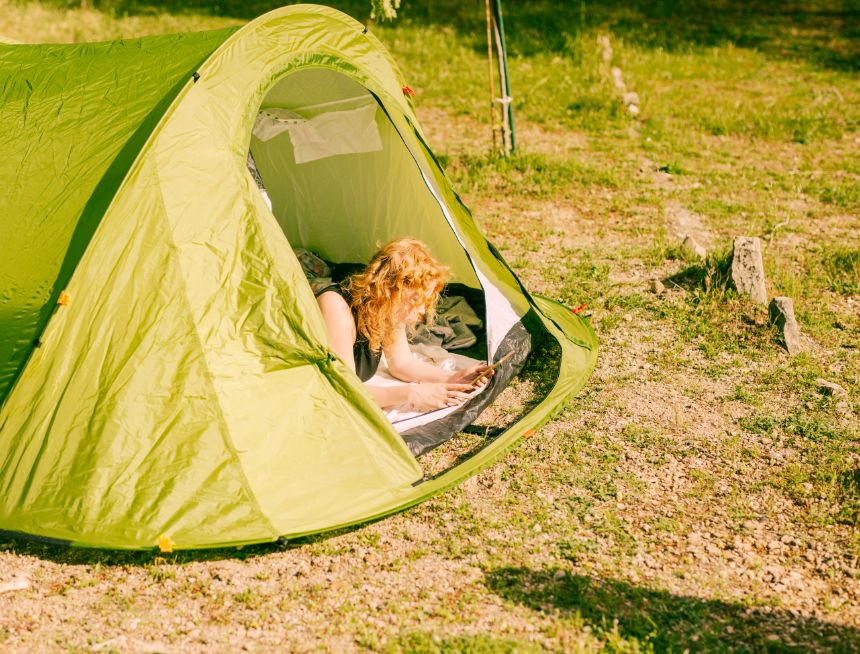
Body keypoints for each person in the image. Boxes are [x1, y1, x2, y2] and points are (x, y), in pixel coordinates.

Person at [315, 238, 493, 411]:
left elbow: (402, 364)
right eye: (416, 299)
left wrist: (451, 378)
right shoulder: (336, 307)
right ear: (389, 290)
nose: (423, 311)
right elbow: (344, 389)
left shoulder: (385, 309)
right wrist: (412, 394)